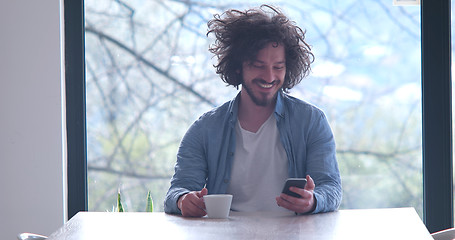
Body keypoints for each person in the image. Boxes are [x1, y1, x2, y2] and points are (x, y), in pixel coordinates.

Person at [164, 4, 342, 217]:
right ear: (238, 66)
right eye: (258, 65)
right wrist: (184, 200)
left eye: (278, 67)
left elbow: (330, 187)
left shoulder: (311, 121)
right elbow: (177, 190)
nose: (269, 77)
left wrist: (313, 200)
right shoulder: (205, 129)